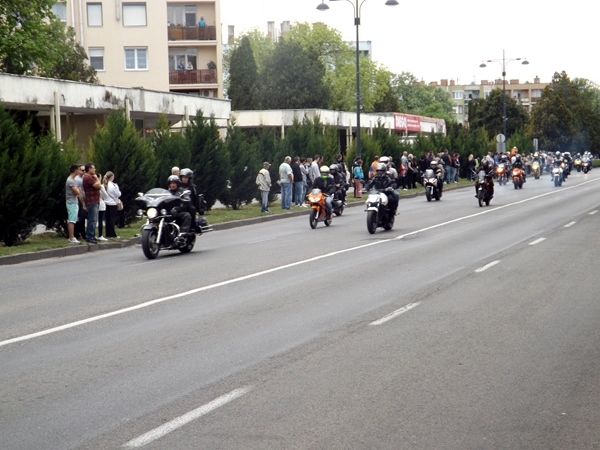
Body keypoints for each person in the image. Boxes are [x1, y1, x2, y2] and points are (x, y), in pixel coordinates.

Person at [65, 163, 84, 244]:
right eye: (78, 170)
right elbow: (77, 192)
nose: (79, 171)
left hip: (74, 201)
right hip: (71, 202)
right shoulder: (70, 180)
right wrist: (77, 190)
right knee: (72, 220)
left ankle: (72, 237)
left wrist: (77, 190)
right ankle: (71, 237)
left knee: (74, 219)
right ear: (75, 170)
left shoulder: (73, 180)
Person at [82, 163, 101, 244]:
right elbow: (98, 186)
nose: (95, 170)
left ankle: (92, 235)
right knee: (92, 220)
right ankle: (89, 236)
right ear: (89, 169)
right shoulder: (87, 177)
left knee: (94, 220)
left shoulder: (90, 177)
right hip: (91, 201)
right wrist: (97, 178)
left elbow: (98, 186)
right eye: (93, 168)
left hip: (94, 201)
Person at [103, 171, 121, 239]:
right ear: (111, 177)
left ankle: (107, 233)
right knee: (112, 219)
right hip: (112, 203)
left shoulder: (104, 184)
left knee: (107, 219)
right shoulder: (113, 185)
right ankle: (112, 233)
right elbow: (118, 194)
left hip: (106, 203)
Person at [97, 173, 108, 241]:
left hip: (95, 204)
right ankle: (100, 235)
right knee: (100, 220)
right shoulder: (100, 186)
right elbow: (106, 196)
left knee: (94, 221)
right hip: (101, 204)